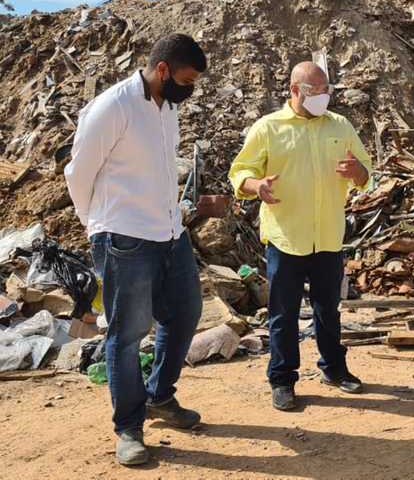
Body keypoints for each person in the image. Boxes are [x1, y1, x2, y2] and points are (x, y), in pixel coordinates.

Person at [65, 34, 207, 465]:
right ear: (161, 70)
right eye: (186, 79)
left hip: (169, 233)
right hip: (124, 237)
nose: (190, 89)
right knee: (127, 334)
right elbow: (78, 171)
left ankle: (159, 395)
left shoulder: (168, 107)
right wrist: (94, 225)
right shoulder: (113, 106)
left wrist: (176, 217)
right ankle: (128, 427)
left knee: (185, 313)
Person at [229, 62, 372, 411]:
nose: (324, 97)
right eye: (316, 91)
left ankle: (334, 370)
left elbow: (365, 172)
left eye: (327, 90)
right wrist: (256, 185)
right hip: (286, 238)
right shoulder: (268, 128)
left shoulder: (340, 126)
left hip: (327, 237)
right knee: (283, 313)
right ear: (294, 90)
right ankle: (282, 379)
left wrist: (358, 171)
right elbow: (241, 171)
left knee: (328, 310)